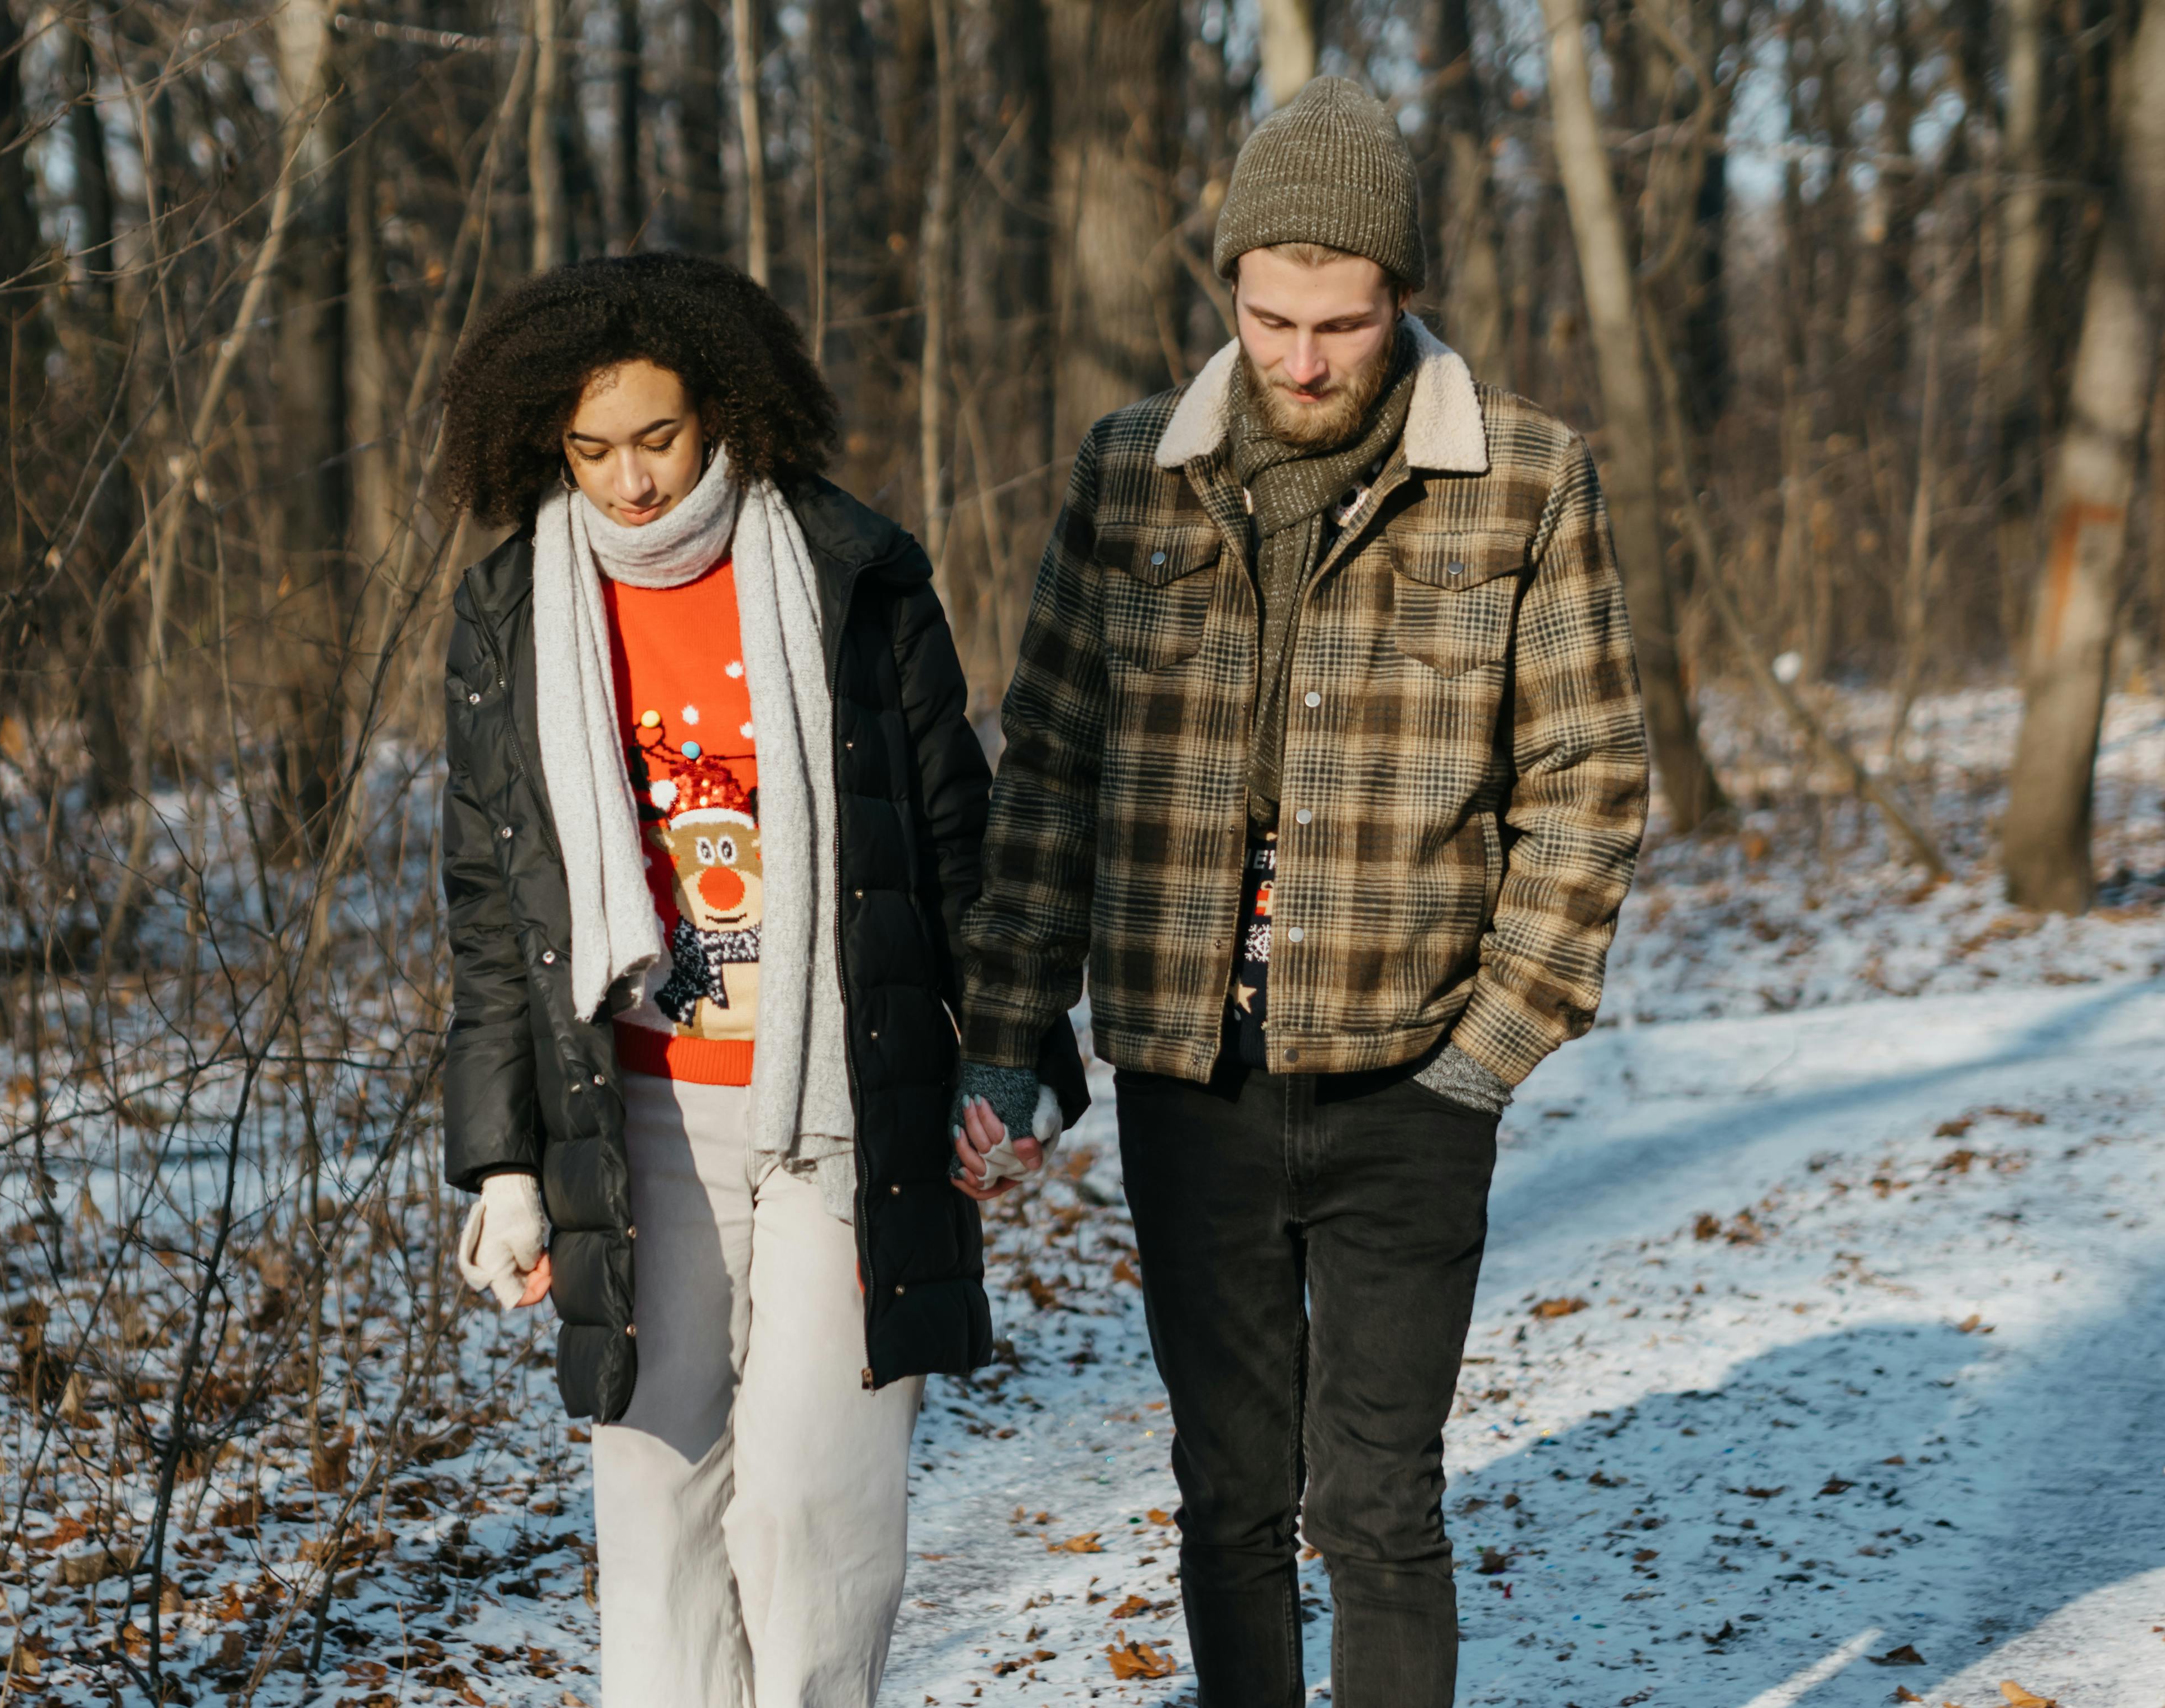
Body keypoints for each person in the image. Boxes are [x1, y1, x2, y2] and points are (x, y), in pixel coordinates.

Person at [948, 79, 1650, 1707]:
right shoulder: (1134, 473)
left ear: (1403, 302)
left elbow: (1590, 783)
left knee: (1378, 1503)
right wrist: (1003, 1034)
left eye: (1344, 323)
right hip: (1191, 1077)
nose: (1306, 359)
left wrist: (1492, 1047)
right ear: (1232, 293)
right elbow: (1049, 766)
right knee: (1230, 1500)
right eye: (1273, 319)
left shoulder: (1525, 480)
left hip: (1414, 1076)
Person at [433, 252, 1084, 1708]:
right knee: (655, 1514)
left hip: (839, 1111)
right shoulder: (507, 616)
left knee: (809, 1501)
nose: (630, 479)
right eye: (592, 449)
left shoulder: (855, 576)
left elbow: (955, 848)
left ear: (724, 410)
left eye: (657, 436)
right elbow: (496, 912)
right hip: (629, 1119)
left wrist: (1018, 1059)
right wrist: (498, 1160)